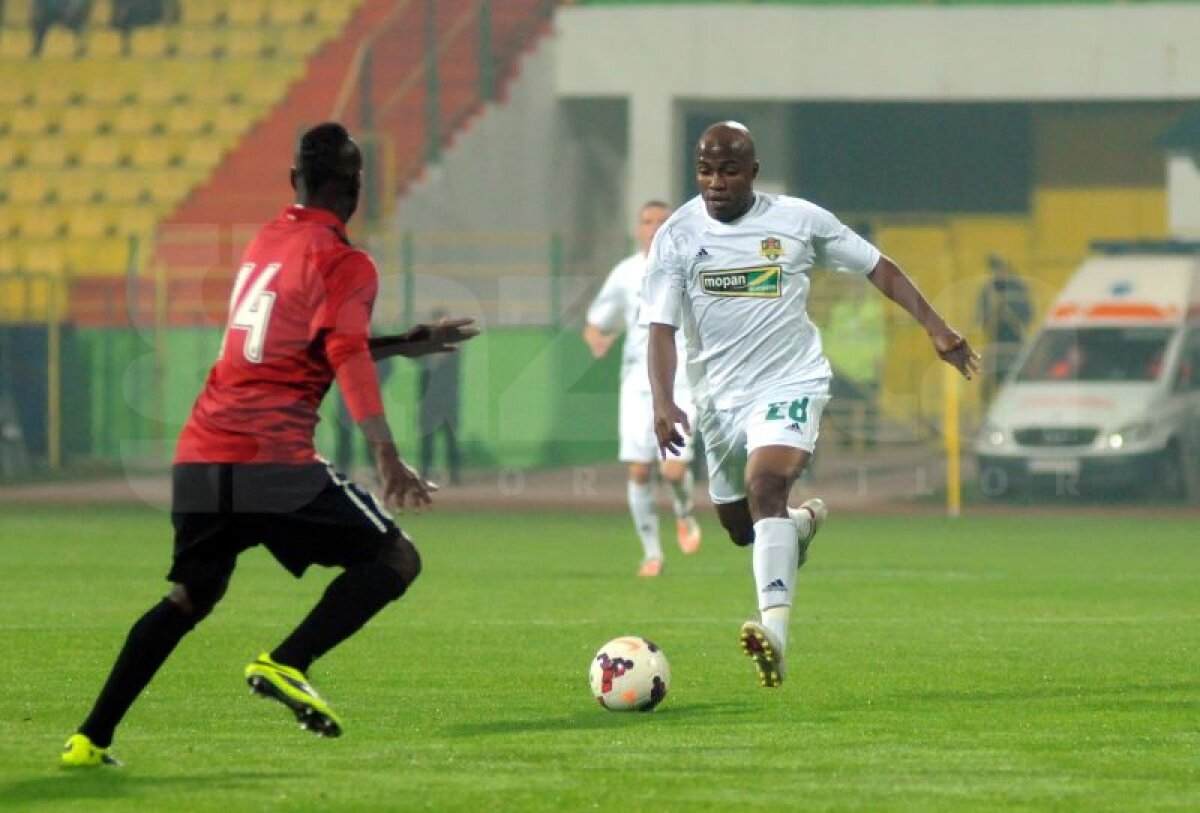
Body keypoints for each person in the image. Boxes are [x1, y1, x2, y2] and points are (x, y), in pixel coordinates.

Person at [60, 122, 477, 767]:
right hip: (272, 459)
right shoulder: (346, 261)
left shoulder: (267, 242)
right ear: (355, 187)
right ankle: (287, 662)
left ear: (294, 182)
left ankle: (90, 739)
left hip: (202, 457)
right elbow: (340, 352)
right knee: (396, 558)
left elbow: (300, 340)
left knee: (190, 597)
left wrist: (401, 341)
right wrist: (388, 457)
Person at [643, 121, 979, 689]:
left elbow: (879, 266)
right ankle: (795, 529)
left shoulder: (799, 220)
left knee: (765, 486)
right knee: (740, 527)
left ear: (753, 171)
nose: (716, 182)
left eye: (728, 170)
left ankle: (773, 633)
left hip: (790, 380)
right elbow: (660, 328)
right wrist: (663, 401)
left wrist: (936, 328)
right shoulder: (675, 237)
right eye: (705, 170)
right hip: (718, 399)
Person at [583, 200, 702, 577]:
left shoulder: (693, 267)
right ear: (638, 228)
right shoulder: (625, 273)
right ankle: (653, 554)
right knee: (638, 471)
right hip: (638, 382)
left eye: (662, 221)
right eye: (647, 221)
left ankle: (683, 511)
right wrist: (596, 340)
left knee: (672, 471)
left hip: (682, 380)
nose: (654, 227)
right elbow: (596, 320)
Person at [976, 253, 1032, 402]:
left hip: (1015, 343)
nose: (998, 273)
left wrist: (1008, 312)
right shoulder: (987, 290)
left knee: (1014, 380)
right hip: (995, 344)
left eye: (1000, 268)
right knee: (990, 382)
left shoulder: (1018, 289)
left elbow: (1027, 316)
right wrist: (993, 312)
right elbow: (981, 319)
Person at [418, 309, 463, 486]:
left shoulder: (454, 346)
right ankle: (425, 472)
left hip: (448, 399)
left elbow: (451, 366)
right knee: (426, 438)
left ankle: (455, 473)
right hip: (428, 400)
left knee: (450, 437)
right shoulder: (424, 347)